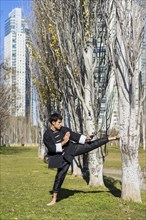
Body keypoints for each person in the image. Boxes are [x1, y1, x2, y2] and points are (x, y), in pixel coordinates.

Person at [43, 112, 119, 206]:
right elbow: (51, 148)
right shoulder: (47, 135)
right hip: (62, 157)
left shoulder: (64, 129)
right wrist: (64, 141)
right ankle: (54, 199)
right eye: (59, 122)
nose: (61, 124)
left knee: (91, 145)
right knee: (59, 176)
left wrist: (86, 138)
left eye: (61, 122)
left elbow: (74, 135)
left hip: (71, 148)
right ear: (53, 123)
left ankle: (112, 138)